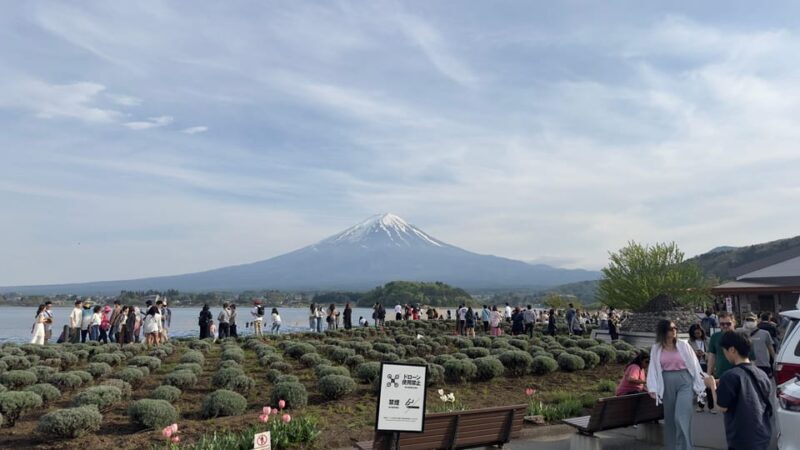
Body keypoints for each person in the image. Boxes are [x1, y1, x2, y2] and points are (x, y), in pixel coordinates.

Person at [647, 320, 707, 450]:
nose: (674, 330)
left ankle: (685, 447)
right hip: (666, 381)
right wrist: (652, 387)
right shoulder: (656, 348)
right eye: (670, 329)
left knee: (681, 417)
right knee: (670, 419)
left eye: (675, 328)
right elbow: (653, 368)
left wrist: (700, 384)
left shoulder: (683, 345)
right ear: (663, 331)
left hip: (684, 380)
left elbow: (695, 365)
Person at [711, 331, 773, 450]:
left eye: (724, 351)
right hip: (762, 434)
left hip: (741, 438)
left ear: (732, 350)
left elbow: (721, 407)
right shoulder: (761, 374)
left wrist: (712, 385)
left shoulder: (729, 376)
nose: (725, 355)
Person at [739, 313, 775, 377]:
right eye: (748, 320)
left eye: (752, 320)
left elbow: (771, 348)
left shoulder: (765, 333)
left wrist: (775, 360)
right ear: (745, 321)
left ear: (757, 321)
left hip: (763, 365)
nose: (750, 322)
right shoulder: (740, 333)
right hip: (747, 365)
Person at [688, 325, 713, 412]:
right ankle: (701, 406)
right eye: (695, 333)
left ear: (702, 332)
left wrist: (704, 354)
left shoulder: (708, 340)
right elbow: (688, 354)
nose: (697, 335)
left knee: (709, 386)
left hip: (708, 365)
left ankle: (711, 407)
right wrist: (696, 353)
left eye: (699, 333)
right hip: (697, 365)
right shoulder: (690, 342)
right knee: (699, 386)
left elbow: (712, 353)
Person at [707, 312, 736, 381]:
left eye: (728, 324)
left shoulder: (741, 337)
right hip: (720, 375)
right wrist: (708, 375)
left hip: (737, 375)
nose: (725, 326)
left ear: (734, 323)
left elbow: (750, 358)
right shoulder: (715, 337)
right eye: (722, 324)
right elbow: (711, 358)